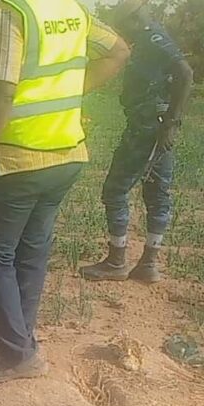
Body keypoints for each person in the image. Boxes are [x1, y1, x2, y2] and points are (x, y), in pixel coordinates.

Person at [0, 0, 130, 383]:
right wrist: (67, 93)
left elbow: (0, 93)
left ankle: (18, 355)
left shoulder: (10, 14)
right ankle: (19, 341)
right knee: (31, 251)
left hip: (21, 157)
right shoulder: (70, 9)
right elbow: (119, 50)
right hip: (66, 154)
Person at [81, 0, 194, 284]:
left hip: (147, 125)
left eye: (124, 21)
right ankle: (148, 264)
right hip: (154, 123)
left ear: (135, 17)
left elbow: (186, 73)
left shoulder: (153, 36)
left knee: (115, 190)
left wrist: (172, 122)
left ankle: (117, 260)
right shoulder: (149, 35)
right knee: (157, 194)